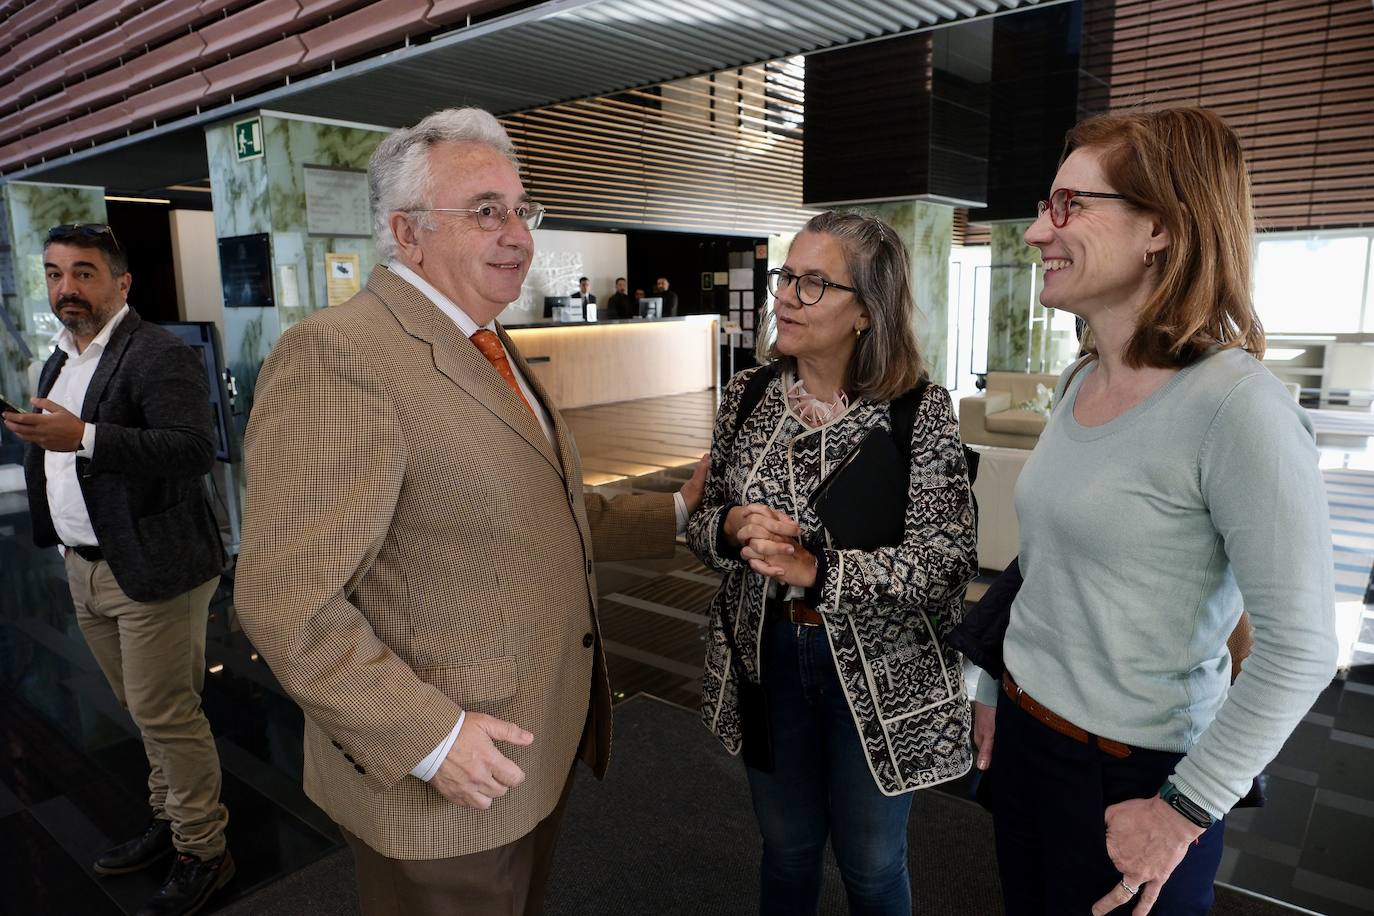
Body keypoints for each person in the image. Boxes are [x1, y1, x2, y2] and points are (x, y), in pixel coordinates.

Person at [233, 107, 706, 916]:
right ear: (406, 232)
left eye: (524, 210)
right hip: (442, 781)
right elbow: (285, 599)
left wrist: (674, 511)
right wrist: (428, 737)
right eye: (487, 210)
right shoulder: (340, 355)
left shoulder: (483, 339)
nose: (518, 233)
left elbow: (535, 507)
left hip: (529, 754)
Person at [971, 106, 1337, 916]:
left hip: (1134, 776)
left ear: (1161, 230)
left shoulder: (1238, 409)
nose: (1037, 233)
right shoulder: (1080, 380)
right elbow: (1045, 565)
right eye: (1044, 205)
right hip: (1028, 739)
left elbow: (1303, 648)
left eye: (1069, 206)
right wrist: (992, 684)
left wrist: (1182, 812)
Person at [687, 211, 978, 915]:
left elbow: (946, 561)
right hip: (769, 660)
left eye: (815, 283)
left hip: (880, 674)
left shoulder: (918, 411)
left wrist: (818, 570)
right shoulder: (749, 395)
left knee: (873, 866)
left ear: (865, 311)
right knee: (785, 852)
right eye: (787, 276)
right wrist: (728, 526)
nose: (785, 295)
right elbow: (700, 524)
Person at [3, 223, 232, 916]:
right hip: (86, 564)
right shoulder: (60, 358)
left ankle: (205, 850)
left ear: (121, 283)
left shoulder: (155, 353)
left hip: (155, 566)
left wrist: (86, 436)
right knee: (143, 711)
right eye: (53, 274)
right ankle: (171, 820)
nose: (64, 289)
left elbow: (193, 450)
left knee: (167, 712)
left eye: (82, 273)